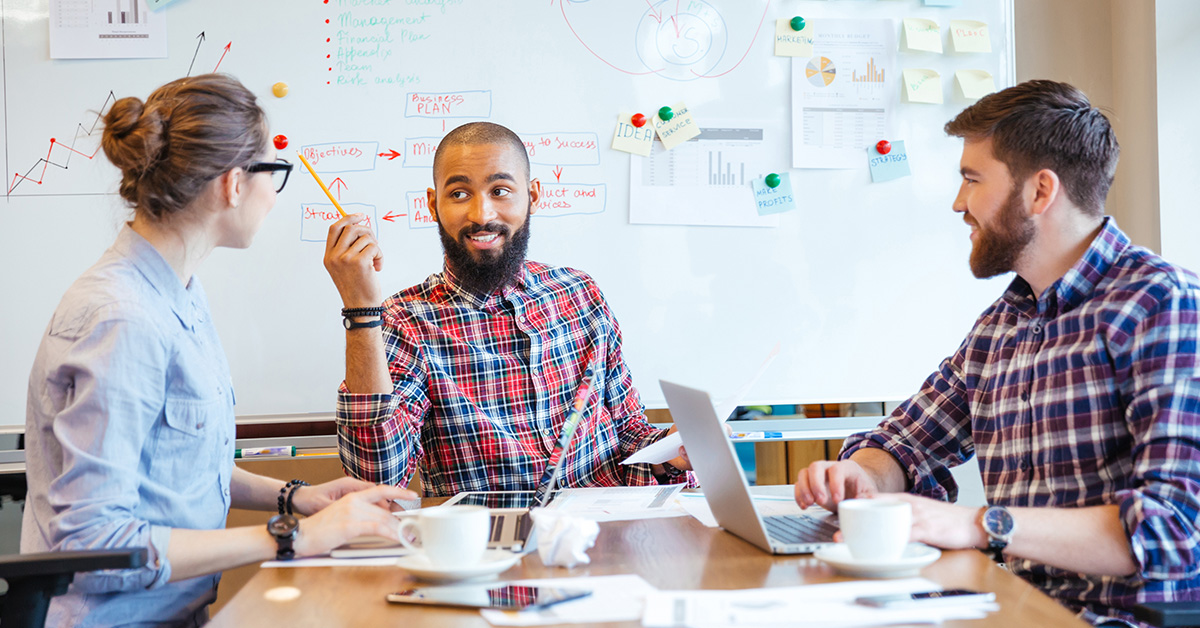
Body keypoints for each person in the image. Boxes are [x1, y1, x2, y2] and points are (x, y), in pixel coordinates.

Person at [793, 79, 1200, 626]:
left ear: (1039, 191)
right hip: (1001, 603)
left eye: (971, 179)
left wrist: (982, 524)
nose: (959, 203)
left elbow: (1177, 530)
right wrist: (863, 476)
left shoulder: (1162, 305)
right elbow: (903, 443)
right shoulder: (1001, 326)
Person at [21, 75, 415, 627]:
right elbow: (95, 546)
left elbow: (180, 465)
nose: (273, 195)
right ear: (233, 184)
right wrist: (295, 537)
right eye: (272, 174)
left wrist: (299, 499)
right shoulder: (121, 318)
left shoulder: (177, 290)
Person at [324, 121, 694, 496]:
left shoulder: (581, 294)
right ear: (433, 204)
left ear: (532, 196)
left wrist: (672, 450)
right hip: (487, 545)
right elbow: (376, 482)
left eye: (500, 190)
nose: (482, 214)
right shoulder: (405, 321)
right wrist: (361, 312)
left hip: (605, 535)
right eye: (459, 194)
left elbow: (629, 432)